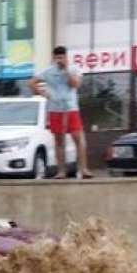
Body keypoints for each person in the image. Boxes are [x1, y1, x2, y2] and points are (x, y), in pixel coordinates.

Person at [29, 46, 92, 179]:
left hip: (71, 108)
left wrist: (67, 70)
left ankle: (84, 169)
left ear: (66, 57)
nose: (59, 60)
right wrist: (42, 93)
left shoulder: (73, 69)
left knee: (78, 139)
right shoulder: (48, 71)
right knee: (59, 141)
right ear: (53, 58)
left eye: (62, 57)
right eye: (57, 57)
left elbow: (75, 84)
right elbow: (32, 82)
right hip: (55, 109)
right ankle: (61, 171)